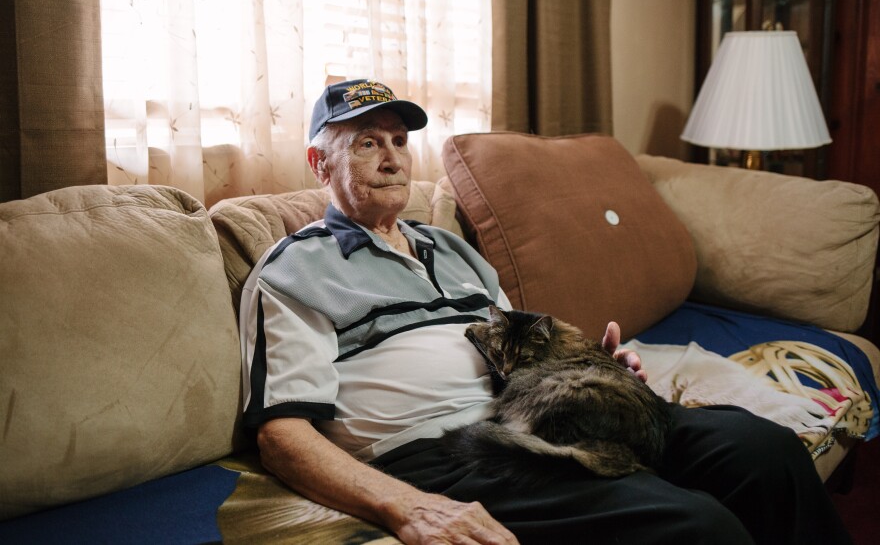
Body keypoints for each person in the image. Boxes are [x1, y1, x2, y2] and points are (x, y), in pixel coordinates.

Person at [239, 78, 852, 545]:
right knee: (696, 526)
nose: (394, 158)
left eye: (399, 141)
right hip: (446, 449)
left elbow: (517, 351)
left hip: (535, 415)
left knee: (766, 452)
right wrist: (405, 505)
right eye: (367, 143)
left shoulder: (449, 249)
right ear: (320, 165)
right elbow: (282, 436)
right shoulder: (296, 269)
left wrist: (589, 370)